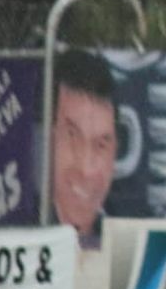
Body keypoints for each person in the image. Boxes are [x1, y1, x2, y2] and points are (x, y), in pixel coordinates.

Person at [50, 48, 118, 251]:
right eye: (72, 136)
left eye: (101, 145)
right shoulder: (16, 235)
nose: (86, 169)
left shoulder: (124, 243)